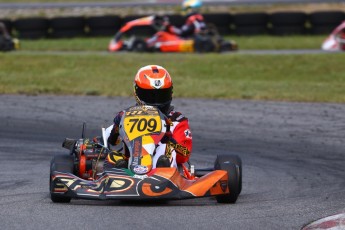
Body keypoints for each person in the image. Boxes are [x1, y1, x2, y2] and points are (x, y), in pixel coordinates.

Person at [103, 65, 192, 169]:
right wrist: (116, 128)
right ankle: (118, 176)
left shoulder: (177, 120)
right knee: (112, 156)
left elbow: (184, 154)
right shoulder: (127, 116)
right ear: (137, 92)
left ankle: (161, 170)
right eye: (149, 95)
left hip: (162, 172)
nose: (156, 102)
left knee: (164, 148)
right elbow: (108, 141)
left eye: (162, 95)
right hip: (131, 168)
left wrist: (168, 139)